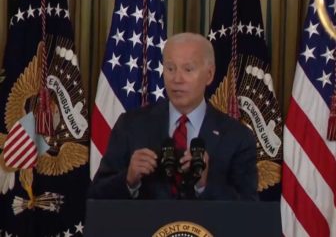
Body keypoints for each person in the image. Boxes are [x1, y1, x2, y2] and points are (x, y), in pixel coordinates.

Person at [88, 32, 258, 200]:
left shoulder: (237, 136)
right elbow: (97, 195)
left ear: (209, 75)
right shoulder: (131, 125)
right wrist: (129, 179)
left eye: (188, 69)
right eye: (170, 68)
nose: (177, 79)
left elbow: (249, 212)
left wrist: (204, 184)